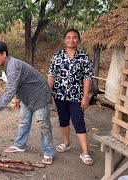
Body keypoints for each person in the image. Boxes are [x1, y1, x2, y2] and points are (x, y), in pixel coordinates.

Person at [0, 40, 55, 165]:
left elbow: (10, 90)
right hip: (26, 95)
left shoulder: (13, 66)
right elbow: (19, 82)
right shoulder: (7, 65)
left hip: (39, 94)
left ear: (4, 54)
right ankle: (19, 145)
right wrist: (18, 97)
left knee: (43, 124)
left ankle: (48, 152)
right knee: (24, 120)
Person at [47, 29, 93, 166]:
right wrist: (48, 93)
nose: (71, 40)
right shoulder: (57, 56)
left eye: (74, 37)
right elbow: (51, 75)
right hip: (59, 94)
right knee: (63, 120)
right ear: (64, 40)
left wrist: (85, 97)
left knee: (78, 121)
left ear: (78, 40)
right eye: (68, 37)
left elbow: (87, 78)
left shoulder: (84, 57)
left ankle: (85, 152)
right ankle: (66, 143)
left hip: (76, 96)